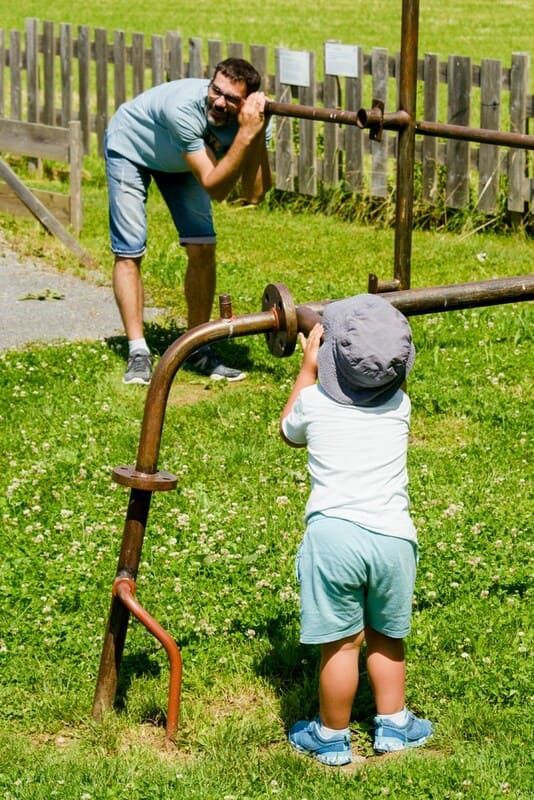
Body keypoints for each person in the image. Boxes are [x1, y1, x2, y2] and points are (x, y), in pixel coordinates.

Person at [279, 293, 433, 766]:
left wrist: (306, 372)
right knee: (387, 637)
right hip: (393, 539)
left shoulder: (315, 406)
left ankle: (330, 736)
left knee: (341, 644)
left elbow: (287, 429)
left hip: (334, 537)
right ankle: (394, 725)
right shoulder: (400, 407)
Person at [104, 58, 272, 385]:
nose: (219, 102)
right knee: (130, 248)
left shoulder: (257, 120)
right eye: (215, 91)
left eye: (231, 99)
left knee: (202, 249)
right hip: (131, 147)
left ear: (248, 102)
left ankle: (196, 345)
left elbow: (255, 194)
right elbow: (216, 187)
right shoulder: (183, 108)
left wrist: (256, 133)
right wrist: (244, 136)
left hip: (181, 165)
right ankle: (138, 351)